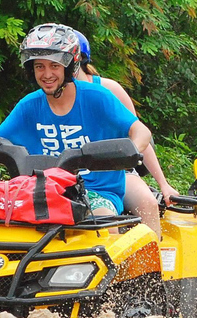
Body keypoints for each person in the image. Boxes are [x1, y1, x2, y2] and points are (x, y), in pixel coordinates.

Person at [0, 23, 153, 231]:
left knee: (103, 225)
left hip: (96, 193)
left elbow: (141, 131)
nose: (47, 74)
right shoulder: (28, 106)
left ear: (69, 67)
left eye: (55, 65)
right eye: (39, 66)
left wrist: (130, 150)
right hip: (43, 193)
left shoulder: (97, 97)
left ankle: (150, 263)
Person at [72, 30, 179, 238]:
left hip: (116, 171)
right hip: (71, 173)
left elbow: (139, 135)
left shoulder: (109, 89)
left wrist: (164, 184)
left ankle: (152, 266)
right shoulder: (51, 96)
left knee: (147, 203)